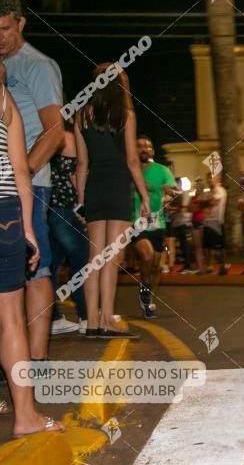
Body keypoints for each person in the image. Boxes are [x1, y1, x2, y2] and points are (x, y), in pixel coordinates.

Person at [0, 30, 65, 441]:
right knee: (9, 320)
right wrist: (29, 231)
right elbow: (20, 170)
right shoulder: (2, 99)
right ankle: (26, 418)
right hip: (3, 216)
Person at [75, 64, 150, 338]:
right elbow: (132, 160)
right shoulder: (126, 115)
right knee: (112, 258)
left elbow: (82, 163)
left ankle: (92, 323)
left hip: (94, 189)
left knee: (94, 258)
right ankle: (107, 318)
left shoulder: (81, 115)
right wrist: (144, 196)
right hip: (118, 187)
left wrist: (81, 201)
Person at [131, 136, 177, 317]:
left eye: (148, 146)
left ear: (152, 151)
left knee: (156, 266)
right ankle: (145, 286)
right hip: (135, 221)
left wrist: (171, 192)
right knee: (147, 255)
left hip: (157, 223)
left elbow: (174, 191)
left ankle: (148, 295)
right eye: (140, 146)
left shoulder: (162, 170)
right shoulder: (129, 169)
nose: (144, 149)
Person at [48, 123, 86, 334]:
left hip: (48, 208)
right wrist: (84, 205)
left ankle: (53, 317)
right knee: (83, 261)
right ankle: (87, 315)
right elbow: (73, 173)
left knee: (50, 265)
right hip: (65, 208)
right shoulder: (67, 136)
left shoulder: (42, 135)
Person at [199, 172, 229, 275]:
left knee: (220, 245)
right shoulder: (208, 192)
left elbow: (213, 202)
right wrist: (204, 203)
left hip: (217, 221)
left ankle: (224, 265)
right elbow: (199, 202)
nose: (209, 180)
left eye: (211, 177)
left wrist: (204, 203)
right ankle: (209, 266)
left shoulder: (219, 190)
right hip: (207, 221)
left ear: (217, 179)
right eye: (208, 178)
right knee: (208, 246)